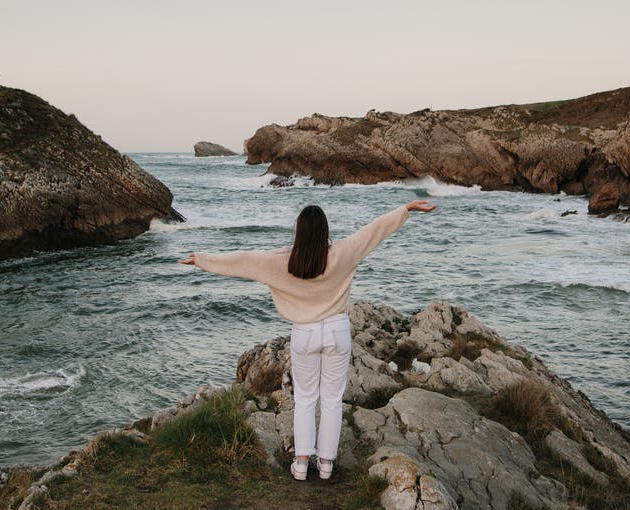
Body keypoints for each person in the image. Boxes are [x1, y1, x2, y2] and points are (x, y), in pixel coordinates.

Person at [178, 198, 437, 480]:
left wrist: (201, 260)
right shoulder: (342, 253)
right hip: (337, 331)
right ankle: (326, 464)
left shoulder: (281, 262)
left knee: (304, 400)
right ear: (325, 232)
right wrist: (405, 209)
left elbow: (243, 260)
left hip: (305, 333)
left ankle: (301, 463)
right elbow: (373, 231)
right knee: (332, 400)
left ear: (298, 232)